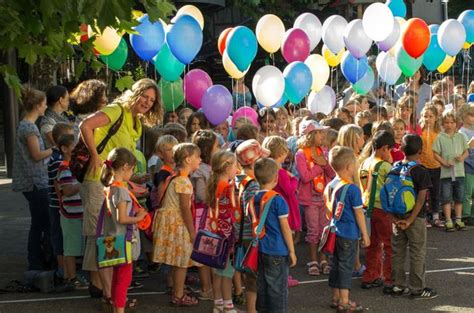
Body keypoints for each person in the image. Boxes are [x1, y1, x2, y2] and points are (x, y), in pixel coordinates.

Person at [79, 78, 162, 301]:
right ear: (134, 93)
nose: (147, 102)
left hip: (110, 184)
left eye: (151, 100)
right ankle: (105, 291)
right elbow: (85, 125)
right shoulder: (117, 110)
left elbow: (119, 157)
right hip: (97, 180)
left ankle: (105, 289)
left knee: (106, 236)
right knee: (100, 236)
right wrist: (96, 156)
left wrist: (132, 179)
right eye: (144, 96)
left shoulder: (135, 122)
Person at [152, 143, 201, 307]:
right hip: (178, 224)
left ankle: (176, 289)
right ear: (188, 159)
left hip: (170, 222)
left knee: (176, 259)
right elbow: (185, 209)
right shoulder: (184, 181)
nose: (199, 160)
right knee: (182, 261)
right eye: (197, 157)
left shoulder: (173, 177)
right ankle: (179, 295)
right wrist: (192, 232)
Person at [99, 148, 148, 313]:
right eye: (132, 169)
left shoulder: (111, 188)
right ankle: (119, 310)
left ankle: (115, 307)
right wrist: (139, 217)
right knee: (123, 281)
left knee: (116, 279)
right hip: (123, 242)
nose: (132, 173)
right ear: (125, 167)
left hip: (112, 240)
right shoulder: (121, 191)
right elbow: (123, 219)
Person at [391, 134, 438, 299]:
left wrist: (394, 218)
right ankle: (417, 288)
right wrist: (410, 219)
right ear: (421, 150)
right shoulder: (420, 171)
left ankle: (397, 285)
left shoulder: (394, 167)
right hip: (415, 218)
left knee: (398, 251)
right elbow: (421, 198)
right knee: (417, 252)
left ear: (402, 149)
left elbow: (388, 194)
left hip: (396, 216)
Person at [12, 86, 52, 271]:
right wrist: (54, 149)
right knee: (41, 222)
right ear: (37, 105)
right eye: (44, 104)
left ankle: (37, 259)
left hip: (33, 179)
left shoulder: (25, 125)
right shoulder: (29, 127)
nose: (45, 107)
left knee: (39, 221)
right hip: (35, 180)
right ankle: (36, 260)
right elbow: (36, 154)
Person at [326, 146, 370, 313]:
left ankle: (335, 297)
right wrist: (365, 234)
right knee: (346, 266)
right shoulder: (352, 189)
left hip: (334, 231)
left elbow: (327, 209)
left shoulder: (331, 184)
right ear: (348, 167)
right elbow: (359, 213)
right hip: (348, 232)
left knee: (336, 264)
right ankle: (345, 301)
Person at [252, 157, 296, 313]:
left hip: (260, 248)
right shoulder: (278, 200)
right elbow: (285, 227)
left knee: (262, 285)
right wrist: (291, 251)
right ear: (276, 178)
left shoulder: (254, 198)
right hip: (277, 249)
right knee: (278, 289)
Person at [295, 120, 334, 276]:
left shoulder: (324, 151)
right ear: (310, 135)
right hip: (310, 199)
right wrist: (319, 166)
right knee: (313, 231)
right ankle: (313, 260)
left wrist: (325, 164)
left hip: (324, 198)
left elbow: (332, 174)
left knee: (324, 229)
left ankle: (323, 259)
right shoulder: (300, 154)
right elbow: (305, 177)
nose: (323, 135)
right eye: (319, 132)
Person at [235, 139, 269, 313]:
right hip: (251, 236)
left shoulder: (239, 179)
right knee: (253, 277)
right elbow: (255, 214)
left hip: (240, 234)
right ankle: (252, 309)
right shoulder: (253, 185)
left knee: (249, 276)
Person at [359, 131, 394, 293]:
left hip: (367, 207)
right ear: (385, 148)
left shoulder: (365, 162)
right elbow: (393, 186)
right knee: (388, 244)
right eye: (389, 150)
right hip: (382, 208)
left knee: (372, 244)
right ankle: (389, 277)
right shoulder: (386, 166)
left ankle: (370, 275)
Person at [262, 136, 300, 288]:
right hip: (284, 210)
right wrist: (294, 179)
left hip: (272, 208)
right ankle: (284, 274)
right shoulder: (281, 172)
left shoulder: (268, 168)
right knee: (286, 241)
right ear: (280, 153)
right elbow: (290, 190)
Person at [207, 151, 239, 313]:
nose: (237, 169)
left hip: (214, 234)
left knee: (217, 272)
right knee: (227, 273)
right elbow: (233, 213)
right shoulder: (227, 188)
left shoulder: (213, 184)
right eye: (235, 166)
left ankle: (218, 303)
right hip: (226, 237)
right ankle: (228, 305)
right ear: (227, 168)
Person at [191, 130, 221, 301]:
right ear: (208, 149)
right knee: (204, 251)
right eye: (216, 146)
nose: (219, 149)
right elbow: (202, 194)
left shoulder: (210, 168)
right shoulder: (201, 170)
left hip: (210, 214)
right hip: (203, 215)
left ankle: (211, 286)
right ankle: (206, 288)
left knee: (211, 250)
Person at [56, 134, 88, 289]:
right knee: (71, 248)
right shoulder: (64, 168)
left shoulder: (75, 167)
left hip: (79, 213)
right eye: (74, 147)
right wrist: (84, 184)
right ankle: (71, 278)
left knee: (77, 247)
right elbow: (67, 191)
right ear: (64, 149)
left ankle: (72, 276)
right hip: (70, 215)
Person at [432, 110, 469, 231]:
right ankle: (448, 220)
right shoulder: (440, 137)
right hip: (446, 173)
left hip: (459, 172)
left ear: (456, 123)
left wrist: (462, 157)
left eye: (452, 122)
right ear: (443, 124)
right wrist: (443, 162)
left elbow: (466, 151)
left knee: (459, 197)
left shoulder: (461, 136)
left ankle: (458, 219)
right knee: (446, 197)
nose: (449, 125)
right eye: (446, 122)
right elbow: (435, 153)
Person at [47, 123, 75, 279]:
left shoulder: (56, 158)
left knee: (63, 238)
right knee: (61, 239)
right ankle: (63, 271)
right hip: (59, 206)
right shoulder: (59, 161)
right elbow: (60, 188)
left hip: (59, 205)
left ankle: (65, 271)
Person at [418, 106, 443, 227]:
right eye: (425, 116)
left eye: (431, 116)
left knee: (435, 193)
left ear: (436, 118)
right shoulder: (420, 133)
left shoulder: (438, 133)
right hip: (423, 166)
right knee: (423, 193)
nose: (428, 119)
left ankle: (435, 216)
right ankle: (423, 217)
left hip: (436, 166)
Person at [459, 105, 474, 225]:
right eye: (471, 115)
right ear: (464, 116)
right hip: (468, 164)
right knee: (467, 191)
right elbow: (462, 148)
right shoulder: (462, 132)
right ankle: (465, 214)